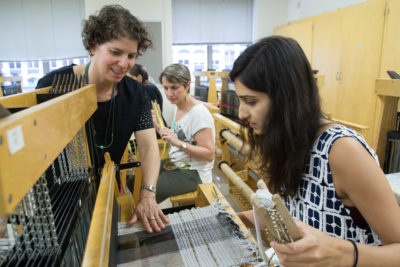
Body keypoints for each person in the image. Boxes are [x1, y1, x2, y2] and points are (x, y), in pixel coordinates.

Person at [231, 36, 400, 266]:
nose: (241, 113)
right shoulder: (286, 144)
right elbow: (293, 213)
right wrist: (240, 219)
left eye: (251, 101)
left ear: (286, 98)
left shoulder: (342, 151)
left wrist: (344, 254)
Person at [36, 4, 168, 233]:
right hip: (58, 201)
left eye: (131, 55)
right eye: (115, 52)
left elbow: (148, 147)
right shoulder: (52, 86)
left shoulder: (137, 94)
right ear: (93, 45)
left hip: (104, 193)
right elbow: (34, 151)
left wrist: (148, 193)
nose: (124, 63)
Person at [152, 63, 215, 203]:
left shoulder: (198, 114)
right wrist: (158, 127)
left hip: (194, 173)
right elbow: (178, 136)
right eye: (166, 88)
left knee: (148, 190)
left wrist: (178, 143)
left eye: (174, 88)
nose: (169, 94)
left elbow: (209, 154)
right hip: (177, 163)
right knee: (138, 179)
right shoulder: (179, 107)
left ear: (187, 85)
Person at [128, 63, 166, 129]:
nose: (127, 82)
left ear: (139, 77)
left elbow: (153, 114)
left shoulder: (149, 89)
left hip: (156, 131)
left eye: (130, 78)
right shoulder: (140, 90)